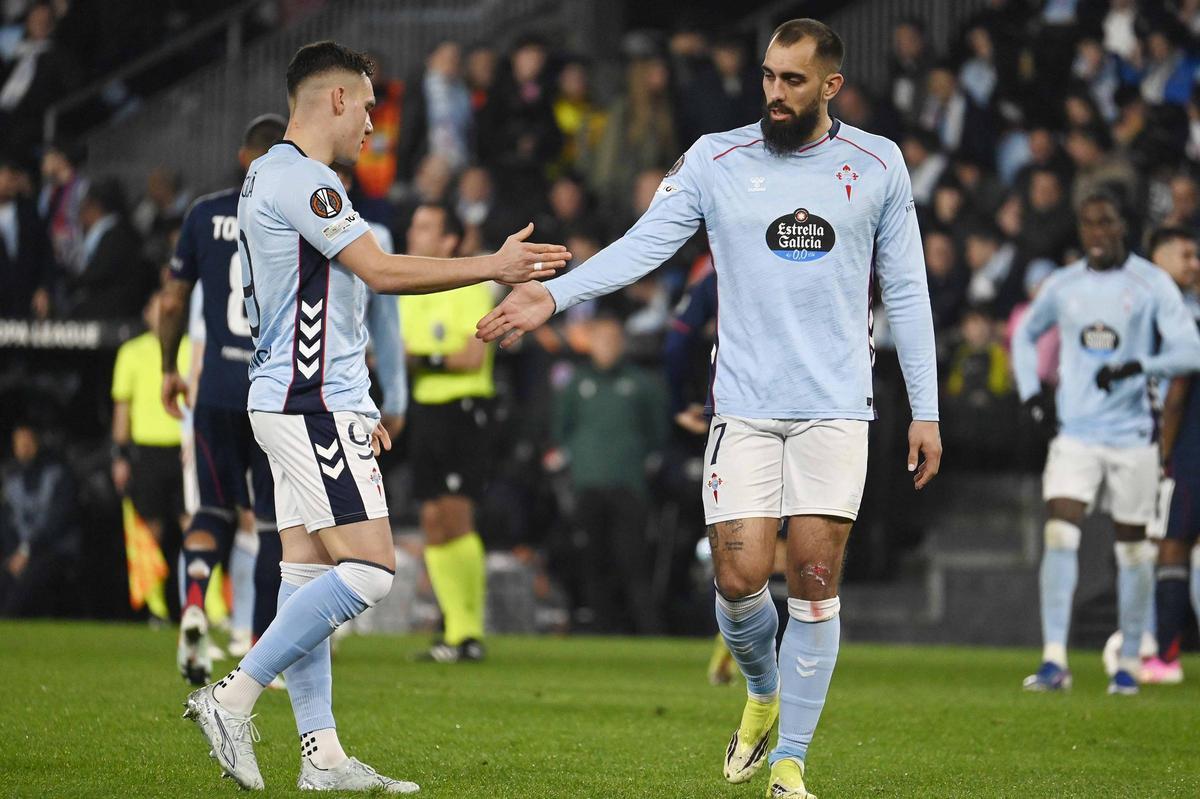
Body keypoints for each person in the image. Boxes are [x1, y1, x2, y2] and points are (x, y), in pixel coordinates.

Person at [476, 19, 941, 798]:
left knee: (816, 578)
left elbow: (909, 291)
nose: (775, 93)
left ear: (831, 86)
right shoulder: (715, 158)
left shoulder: (878, 163)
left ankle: (790, 760)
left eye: (793, 81)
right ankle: (761, 690)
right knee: (737, 576)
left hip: (836, 406)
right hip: (746, 405)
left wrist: (924, 407)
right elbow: (643, 244)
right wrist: (556, 295)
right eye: (767, 77)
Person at [181, 41, 567, 793]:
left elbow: (320, 302)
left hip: (298, 396)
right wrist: (492, 264)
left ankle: (321, 755)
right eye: (366, 106)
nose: (371, 125)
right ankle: (232, 697)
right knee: (371, 571)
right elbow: (380, 274)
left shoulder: (266, 172)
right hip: (308, 401)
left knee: (306, 576)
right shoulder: (305, 179)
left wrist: (356, 395)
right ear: (333, 100)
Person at [1013, 195, 1200, 696]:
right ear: (1080, 229)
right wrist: (1032, 393)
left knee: (1134, 547)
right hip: (1076, 433)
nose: (1098, 231)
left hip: (1133, 436)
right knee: (1059, 531)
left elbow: (1190, 349)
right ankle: (1054, 659)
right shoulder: (1065, 284)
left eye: (1108, 221)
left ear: (1124, 225)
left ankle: (1130, 663)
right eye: (1089, 223)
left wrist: (1142, 366)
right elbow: (1024, 335)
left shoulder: (1149, 283)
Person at [159, 114, 288, 687]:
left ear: (243, 156)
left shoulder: (204, 213)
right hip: (271, 391)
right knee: (272, 525)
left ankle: (193, 603)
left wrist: (168, 368)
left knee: (210, 510)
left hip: (212, 391)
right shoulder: (293, 212)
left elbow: (170, 301)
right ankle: (260, 646)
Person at [400, 203, 493, 662]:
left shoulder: (469, 284)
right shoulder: (408, 287)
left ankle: (467, 631)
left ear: (449, 242)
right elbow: (390, 354)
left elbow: (470, 357)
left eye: (424, 227)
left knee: (456, 517)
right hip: (424, 411)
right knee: (432, 521)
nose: (413, 233)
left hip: (462, 410)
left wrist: (421, 358)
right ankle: (454, 630)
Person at [551, 315, 667, 634]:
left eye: (613, 340)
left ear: (623, 344)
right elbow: (561, 429)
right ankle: (600, 627)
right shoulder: (576, 383)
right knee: (591, 559)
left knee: (633, 560)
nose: (607, 347)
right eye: (601, 339)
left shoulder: (642, 384)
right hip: (587, 484)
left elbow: (658, 433)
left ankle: (647, 629)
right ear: (590, 343)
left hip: (628, 485)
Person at [1142, 226, 1200, 684]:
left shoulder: (1175, 314)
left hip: (1184, 448)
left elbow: (1177, 389)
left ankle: (1162, 652)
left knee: (1171, 544)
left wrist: (1162, 451)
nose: (1194, 263)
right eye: (1186, 254)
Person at [112, 291, 190, 607]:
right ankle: (154, 607)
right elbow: (122, 408)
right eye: (156, 309)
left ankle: (200, 604)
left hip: (184, 451)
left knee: (194, 527)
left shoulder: (190, 349)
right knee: (150, 532)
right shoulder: (131, 352)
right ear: (146, 313)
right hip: (147, 452)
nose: (161, 315)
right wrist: (120, 454)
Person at [0, 423, 79, 616]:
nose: (23, 447)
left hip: (52, 551)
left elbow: (57, 522)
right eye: (18, 442)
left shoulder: (57, 474)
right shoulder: (11, 478)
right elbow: (6, 521)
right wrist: (14, 553)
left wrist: (26, 551)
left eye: (27, 441)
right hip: (19, 554)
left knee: (24, 589)